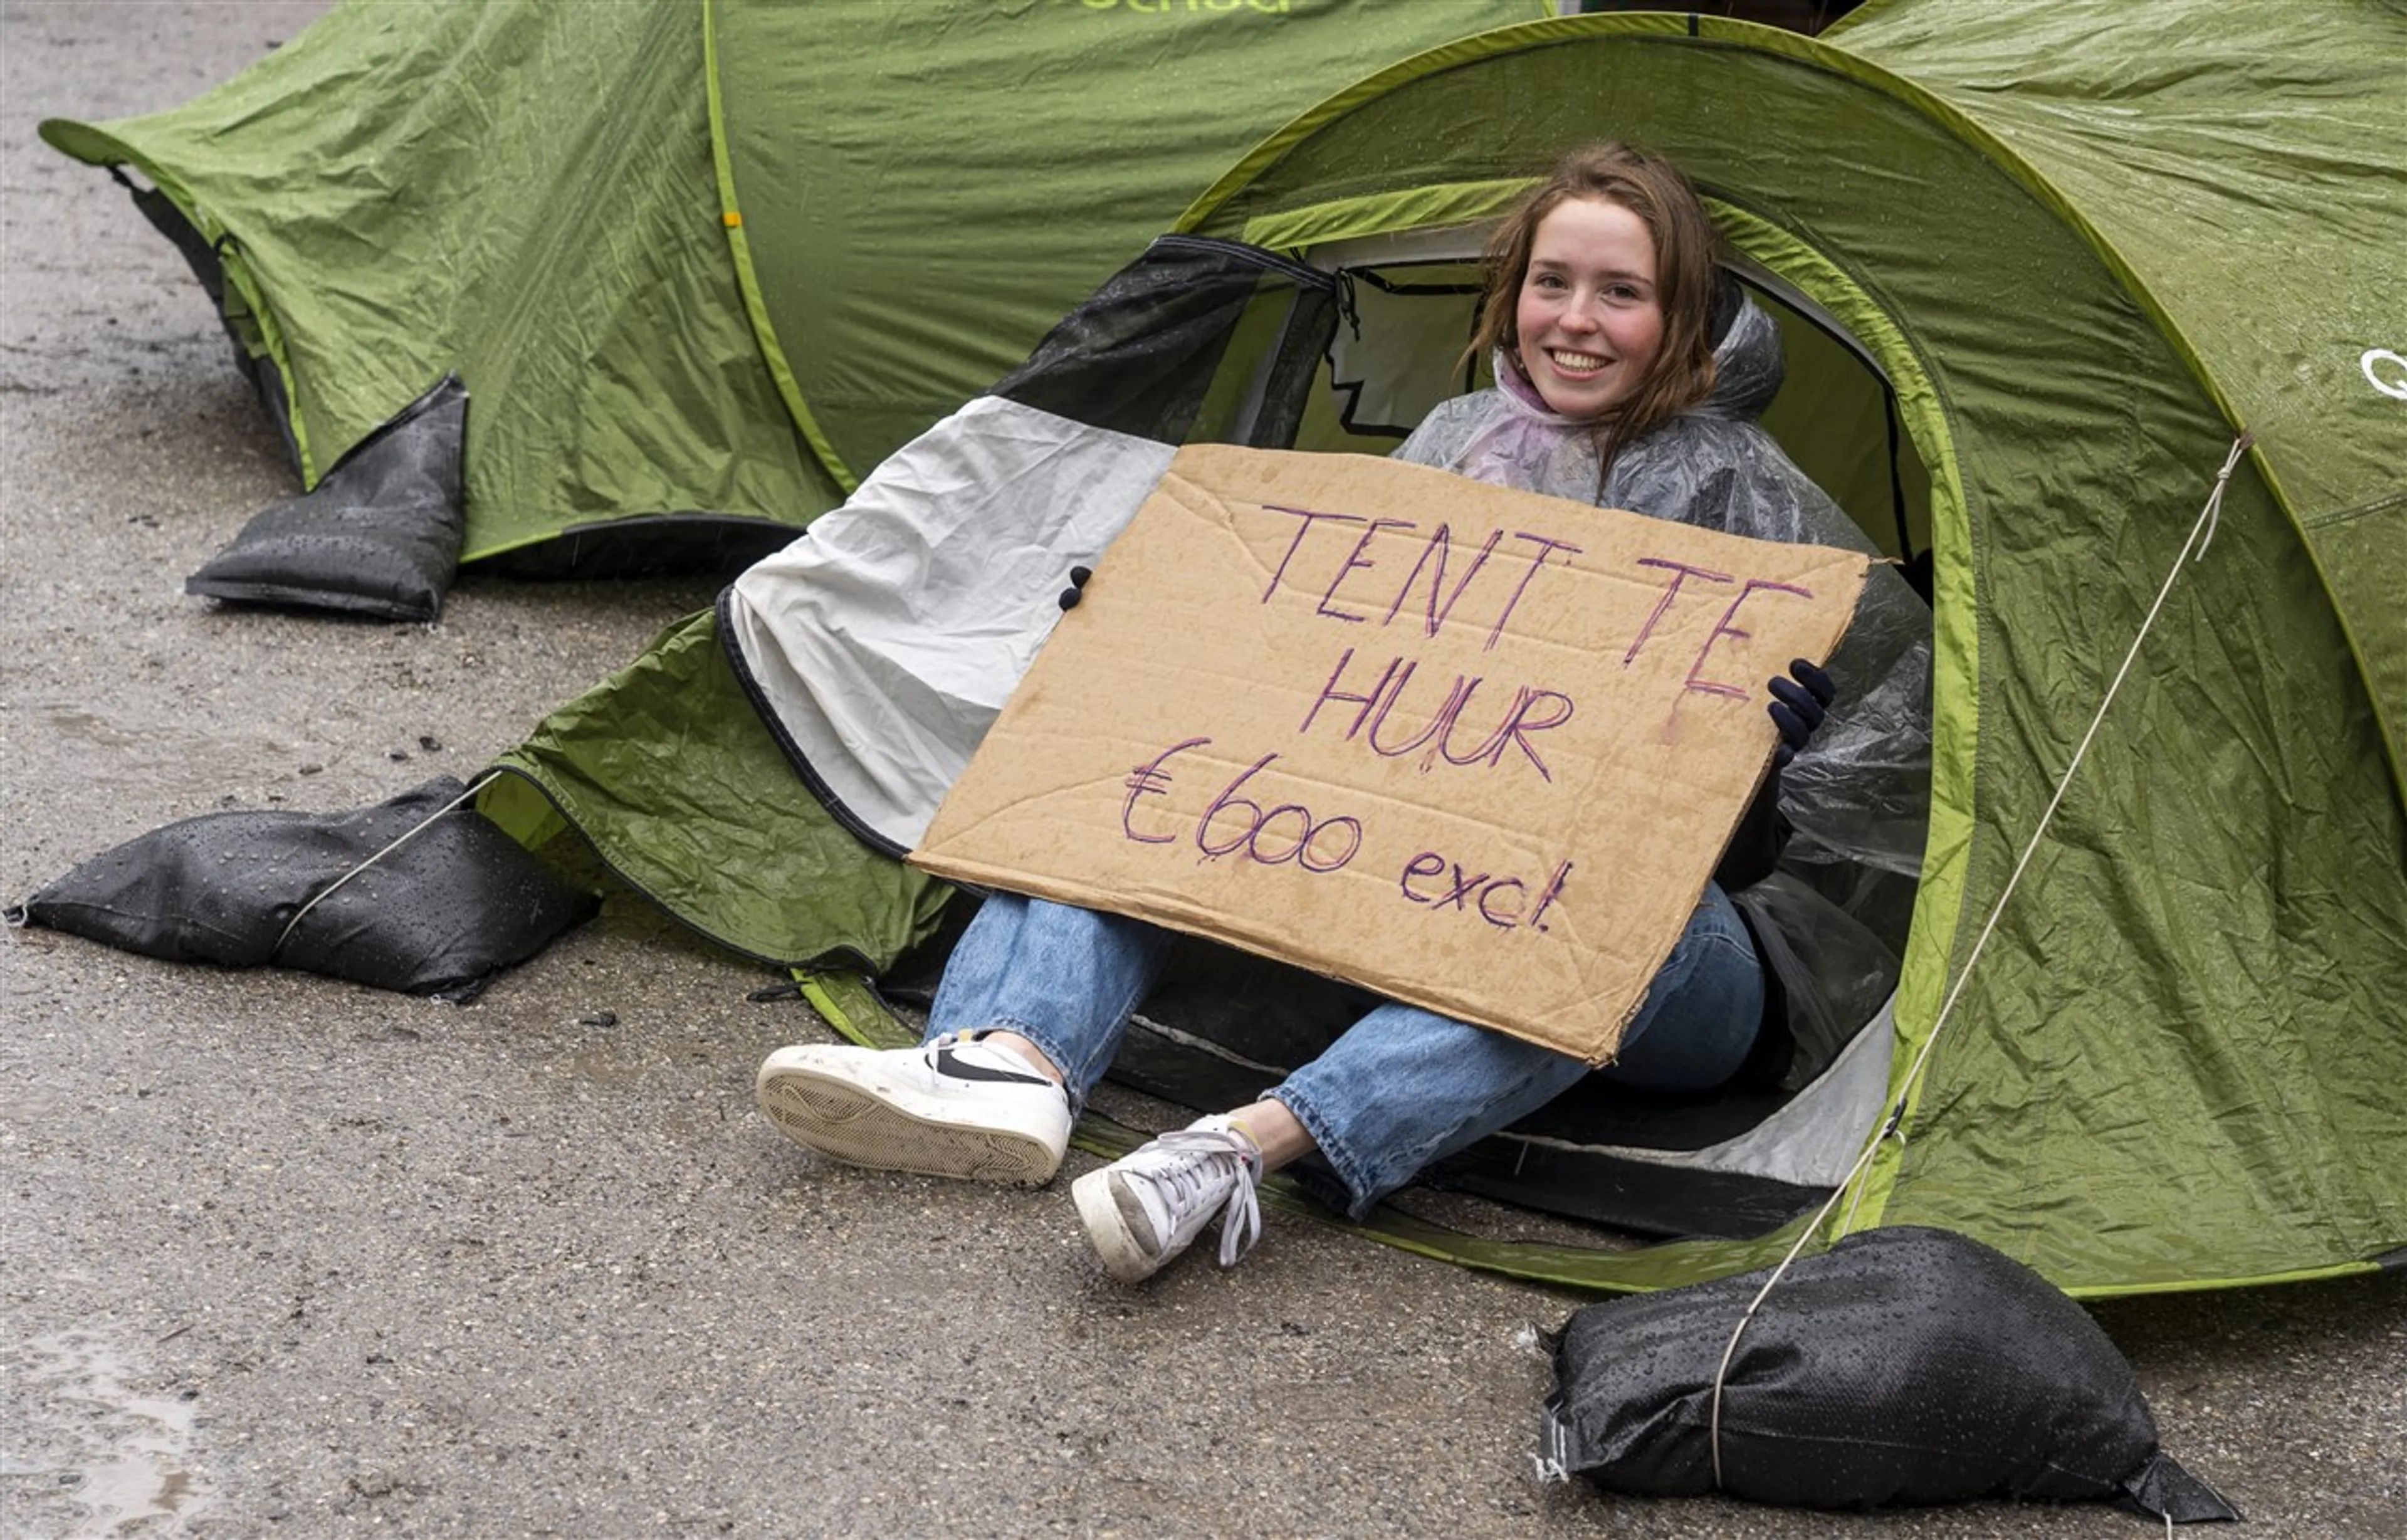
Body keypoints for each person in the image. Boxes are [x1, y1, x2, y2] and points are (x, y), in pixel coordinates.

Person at [753, 143, 1929, 1284]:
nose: (1574, 319)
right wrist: (1144, 622)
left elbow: (1807, 846)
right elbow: (1307, 684)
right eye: (1550, 282)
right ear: (1509, 292)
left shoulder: (1744, 497)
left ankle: (1245, 1148)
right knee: (1136, 757)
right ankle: (1012, 1059)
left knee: (1612, 915)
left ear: (1682, 320)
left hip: (1691, 959)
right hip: (1431, 883)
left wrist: (1776, 756)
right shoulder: (1457, 445)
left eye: (1622, 293)